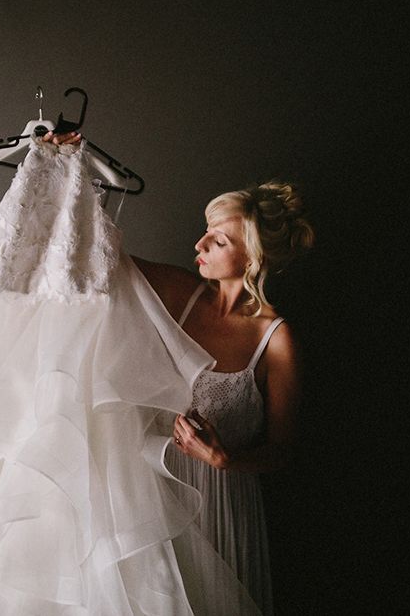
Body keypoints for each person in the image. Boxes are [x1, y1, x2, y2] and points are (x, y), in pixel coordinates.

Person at [47, 131, 314, 614]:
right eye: (205, 231)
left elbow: (283, 450)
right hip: (151, 494)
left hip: (221, 505)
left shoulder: (275, 339)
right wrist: (66, 167)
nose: (200, 243)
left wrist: (225, 459)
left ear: (252, 257)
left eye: (219, 239)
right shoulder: (180, 292)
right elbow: (98, 252)